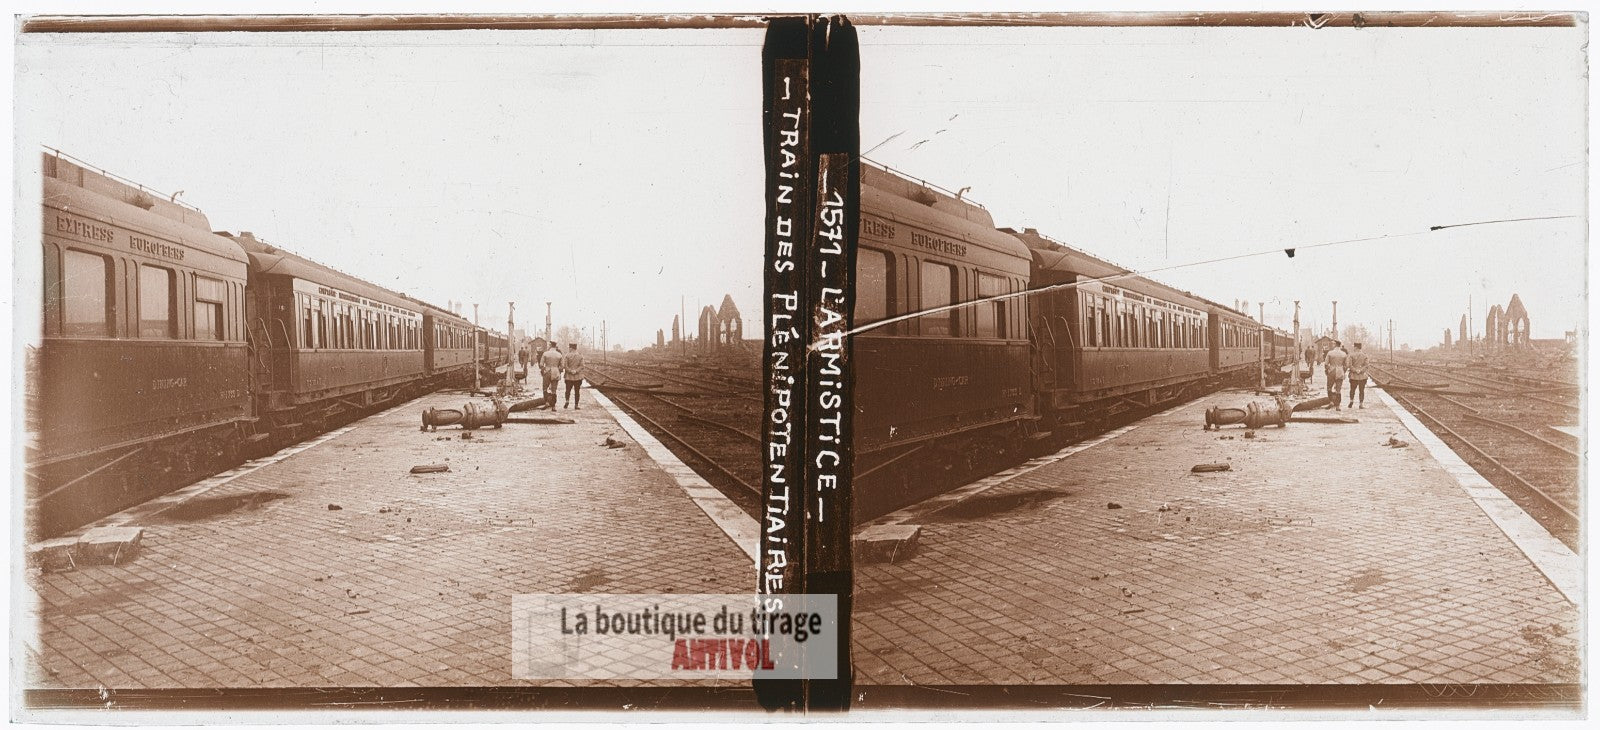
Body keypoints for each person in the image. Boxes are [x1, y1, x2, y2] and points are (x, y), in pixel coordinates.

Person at [539, 340, 565, 409]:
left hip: (547, 371)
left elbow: (541, 364)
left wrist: (543, 369)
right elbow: (562, 366)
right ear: (555, 346)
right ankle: (553, 406)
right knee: (554, 389)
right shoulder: (559, 355)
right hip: (555, 372)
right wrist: (558, 370)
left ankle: (547, 402)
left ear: (550, 346)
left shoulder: (545, 353)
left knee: (545, 388)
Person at [1323, 340, 1348, 410]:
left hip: (1332, 371)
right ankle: (1338, 406)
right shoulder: (1344, 354)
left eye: (1333, 344)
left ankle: (1331, 402)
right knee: (1338, 390)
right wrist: (1343, 371)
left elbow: (1326, 364)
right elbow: (1346, 365)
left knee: (1329, 387)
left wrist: (1327, 370)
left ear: (1335, 345)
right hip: (1340, 371)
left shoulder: (1330, 353)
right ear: (1340, 345)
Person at [1346, 342, 1370, 409]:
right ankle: (1361, 404)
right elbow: (1367, 365)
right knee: (1361, 390)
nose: (1353, 348)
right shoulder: (1365, 355)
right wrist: (1360, 370)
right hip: (1362, 376)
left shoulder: (1351, 355)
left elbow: (1349, 365)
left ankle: (1351, 401)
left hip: (1353, 375)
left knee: (1352, 389)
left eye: (1354, 347)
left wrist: (1355, 370)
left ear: (1356, 347)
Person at [562, 342, 586, 409]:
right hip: (577, 377)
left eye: (569, 348)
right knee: (577, 391)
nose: (569, 349)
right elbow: (582, 366)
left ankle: (567, 401)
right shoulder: (580, 356)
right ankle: (576, 405)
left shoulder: (567, 356)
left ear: (571, 348)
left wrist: (570, 371)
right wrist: (576, 371)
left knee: (567, 390)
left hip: (568, 377)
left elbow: (565, 366)